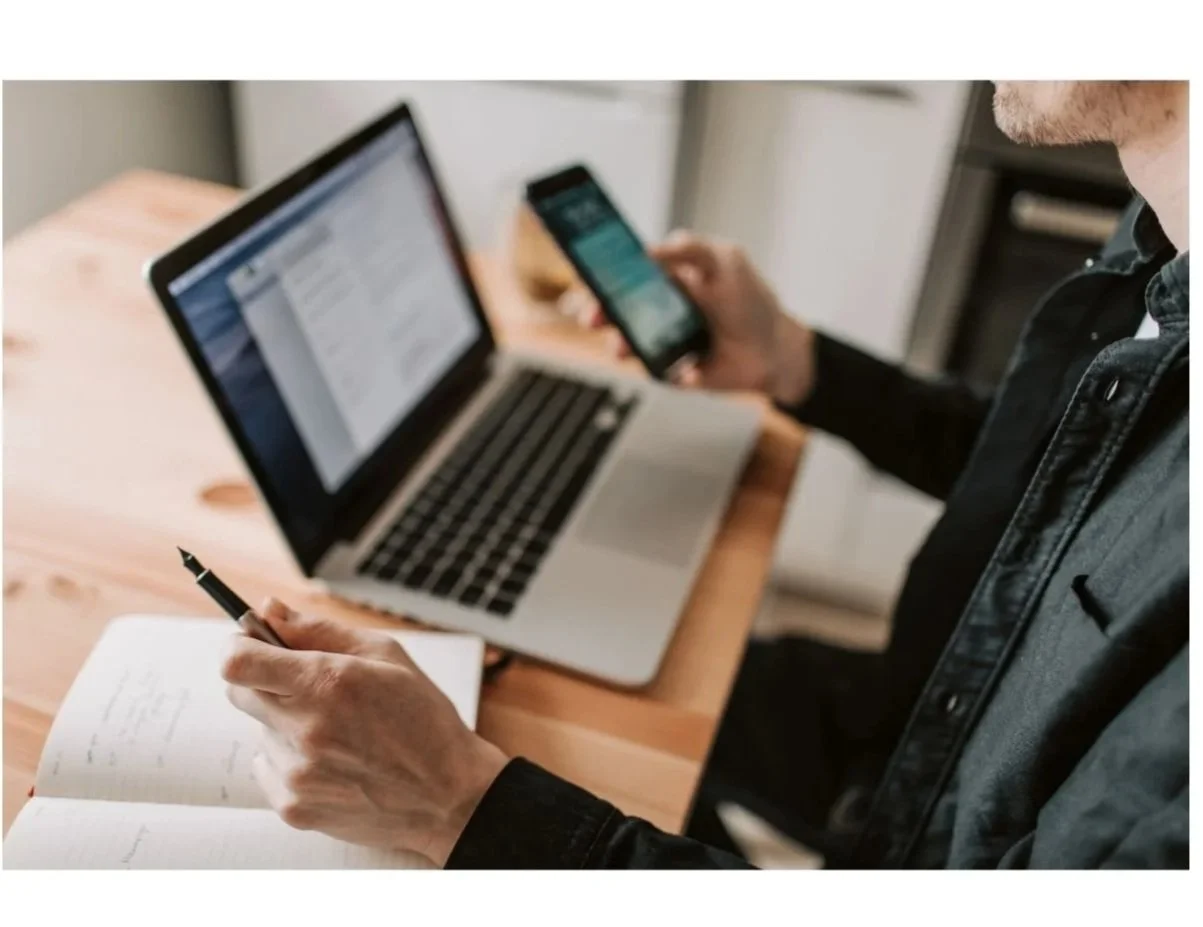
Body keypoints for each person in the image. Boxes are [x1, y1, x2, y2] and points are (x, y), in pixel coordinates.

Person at [221, 81, 1189, 869]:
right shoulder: (1156, 226)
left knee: (577, 733)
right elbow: (1056, 471)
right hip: (918, 706)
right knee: (613, 690)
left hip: (915, 830)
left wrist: (458, 806)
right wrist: (798, 363)